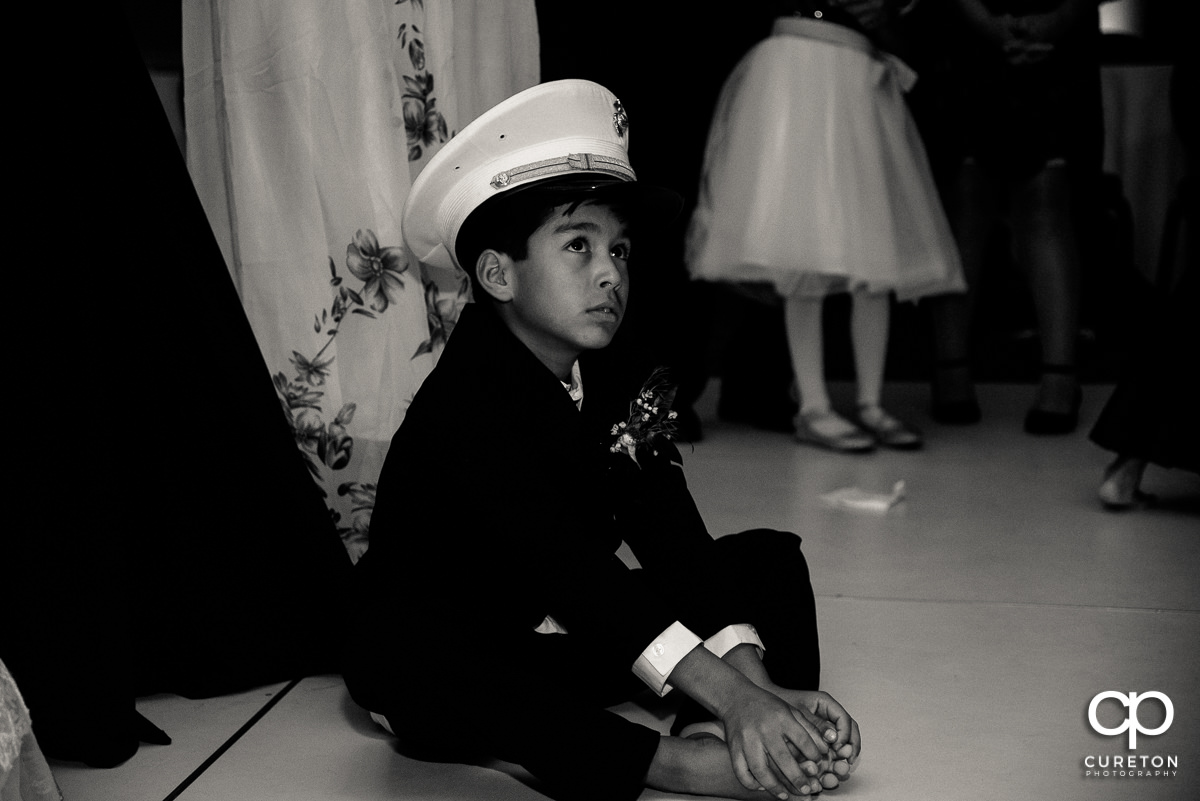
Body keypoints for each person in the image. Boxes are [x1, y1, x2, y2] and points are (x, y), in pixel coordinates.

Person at [342, 80, 860, 801]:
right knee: (426, 660)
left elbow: (666, 525)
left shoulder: (611, 362)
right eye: (578, 247)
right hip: (460, 649)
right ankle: (675, 762)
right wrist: (733, 695)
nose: (611, 272)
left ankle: (740, 728)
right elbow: (571, 570)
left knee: (767, 558)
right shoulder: (466, 404)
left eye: (619, 248)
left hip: (555, 628)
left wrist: (759, 684)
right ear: (498, 273)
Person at [687, 0, 965, 453]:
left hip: (855, 66)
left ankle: (870, 401)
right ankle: (814, 405)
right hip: (799, 59)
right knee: (803, 239)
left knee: (871, 245)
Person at [927, 0, 1103, 432]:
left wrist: (1039, 25)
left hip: (1032, 30)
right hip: (983, 34)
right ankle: (1053, 379)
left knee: (1031, 198)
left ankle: (955, 373)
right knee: (978, 199)